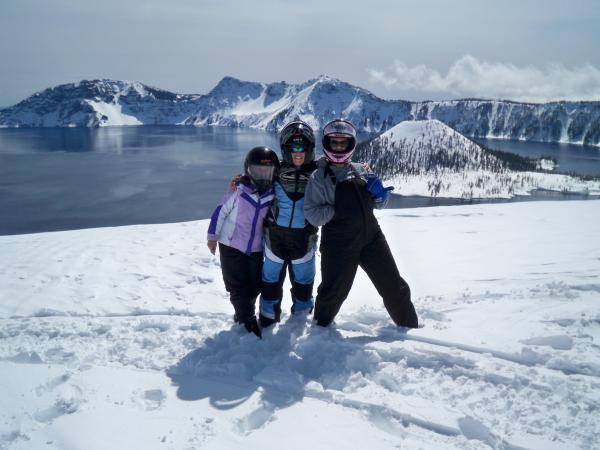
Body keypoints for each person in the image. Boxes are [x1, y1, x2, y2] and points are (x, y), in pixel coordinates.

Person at [303, 119, 419, 328]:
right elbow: (312, 214)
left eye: (343, 144)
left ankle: (409, 327)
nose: (338, 148)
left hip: (371, 238)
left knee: (394, 286)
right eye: (334, 143)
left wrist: (380, 194)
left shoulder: (361, 170)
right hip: (339, 243)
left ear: (351, 145)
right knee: (334, 292)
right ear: (326, 145)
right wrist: (336, 209)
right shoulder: (318, 177)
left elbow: (380, 204)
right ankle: (319, 331)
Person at [207, 146, 279, 338]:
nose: (263, 175)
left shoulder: (272, 194)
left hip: (255, 248)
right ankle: (246, 320)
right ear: (249, 170)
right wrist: (212, 237)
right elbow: (219, 212)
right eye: (258, 171)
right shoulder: (238, 191)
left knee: (255, 285)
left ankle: (243, 313)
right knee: (237, 287)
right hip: (231, 245)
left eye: (267, 171)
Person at [259, 120, 319, 327]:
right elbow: (253, 180)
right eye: (294, 148)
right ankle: (267, 318)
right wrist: (241, 180)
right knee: (270, 281)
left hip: (305, 238)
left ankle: (300, 321)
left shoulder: (319, 173)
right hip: (274, 237)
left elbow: (342, 172)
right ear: (286, 150)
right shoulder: (273, 171)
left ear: (310, 149)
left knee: (304, 282)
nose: (298, 152)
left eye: (303, 147)